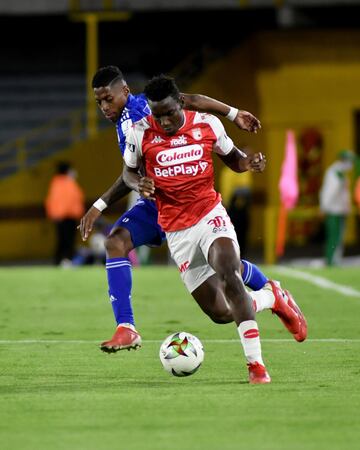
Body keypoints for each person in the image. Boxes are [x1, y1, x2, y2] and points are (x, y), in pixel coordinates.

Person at [79, 66, 277, 354]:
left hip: (186, 201)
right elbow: (129, 173)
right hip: (157, 202)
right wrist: (106, 202)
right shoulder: (125, 120)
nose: (104, 107)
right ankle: (127, 328)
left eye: (108, 99)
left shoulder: (143, 109)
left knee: (224, 266)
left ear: (125, 92)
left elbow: (190, 100)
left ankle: (273, 294)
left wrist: (233, 115)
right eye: (99, 102)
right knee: (115, 241)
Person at [123, 74, 307, 384]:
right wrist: (138, 182)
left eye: (169, 112)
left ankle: (256, 366)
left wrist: (248, 163)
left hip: (210, 214)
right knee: (221, 313)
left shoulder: (207, 123)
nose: (164, 121)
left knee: (229, 272)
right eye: (158, 115)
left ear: (181, 102)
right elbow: (127, 172)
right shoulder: (140, 133)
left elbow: (233, 159)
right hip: (177, 231)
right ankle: (272, 297)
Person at [45, 161, 85, 266]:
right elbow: (70, 200)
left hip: (61, 216)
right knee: (67, 241)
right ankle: (65, 260)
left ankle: (60, 261)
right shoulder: (68, 182)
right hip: (67, 216)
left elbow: (51, 201)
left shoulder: (56, 182)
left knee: (62, 240)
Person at [319, 150, 355, 266]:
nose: (351, 165)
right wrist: (324, 207)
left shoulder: (341, 173)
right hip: (333, 211)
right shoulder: (335, 172)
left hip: (339, 210)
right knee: (333, 238)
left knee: (338, 238)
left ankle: (335, 260)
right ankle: (330, 261)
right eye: (349, 161)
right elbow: (329, 192)